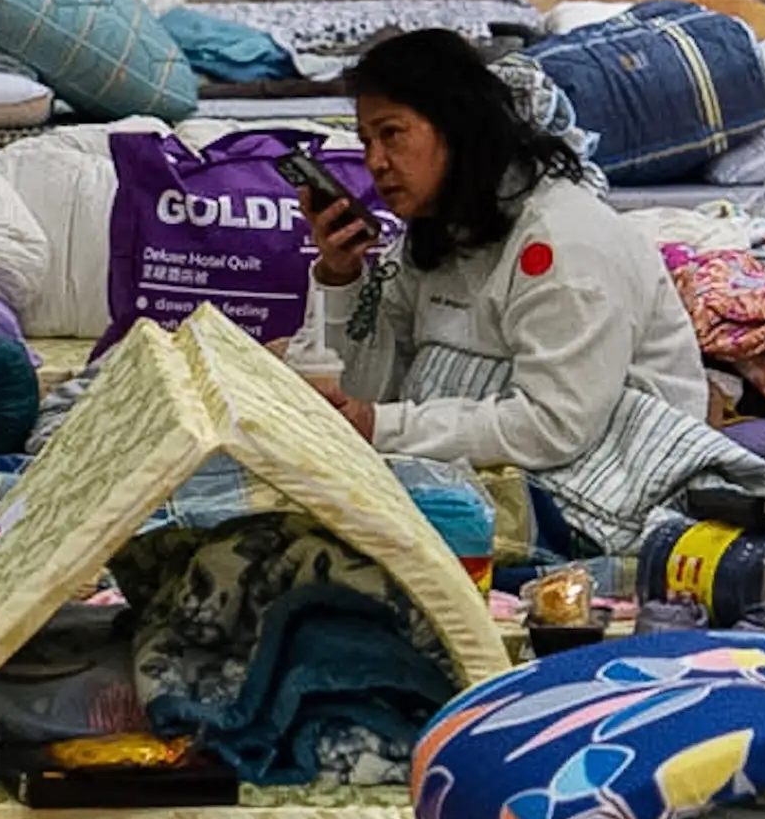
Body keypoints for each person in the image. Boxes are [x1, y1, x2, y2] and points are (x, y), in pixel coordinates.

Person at [303, 31, 720, 524]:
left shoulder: (565, 244)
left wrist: (381, 426)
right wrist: (340, 274)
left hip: (602, 497)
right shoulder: (439, 234)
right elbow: (365, 390)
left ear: (455, 128)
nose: (374, 162)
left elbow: (555, 427)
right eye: (366, 140)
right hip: (488, 482)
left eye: (391, 134)